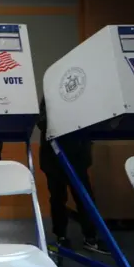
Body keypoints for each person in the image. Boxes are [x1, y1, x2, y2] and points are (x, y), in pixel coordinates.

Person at [37, 99, 109, 254]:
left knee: (85, 198)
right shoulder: (50, 92)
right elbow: (42, 121)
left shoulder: (83, 95)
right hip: (54, 154)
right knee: (58, 198)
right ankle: (61, 237)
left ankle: (91, 238)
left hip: (78, 155)